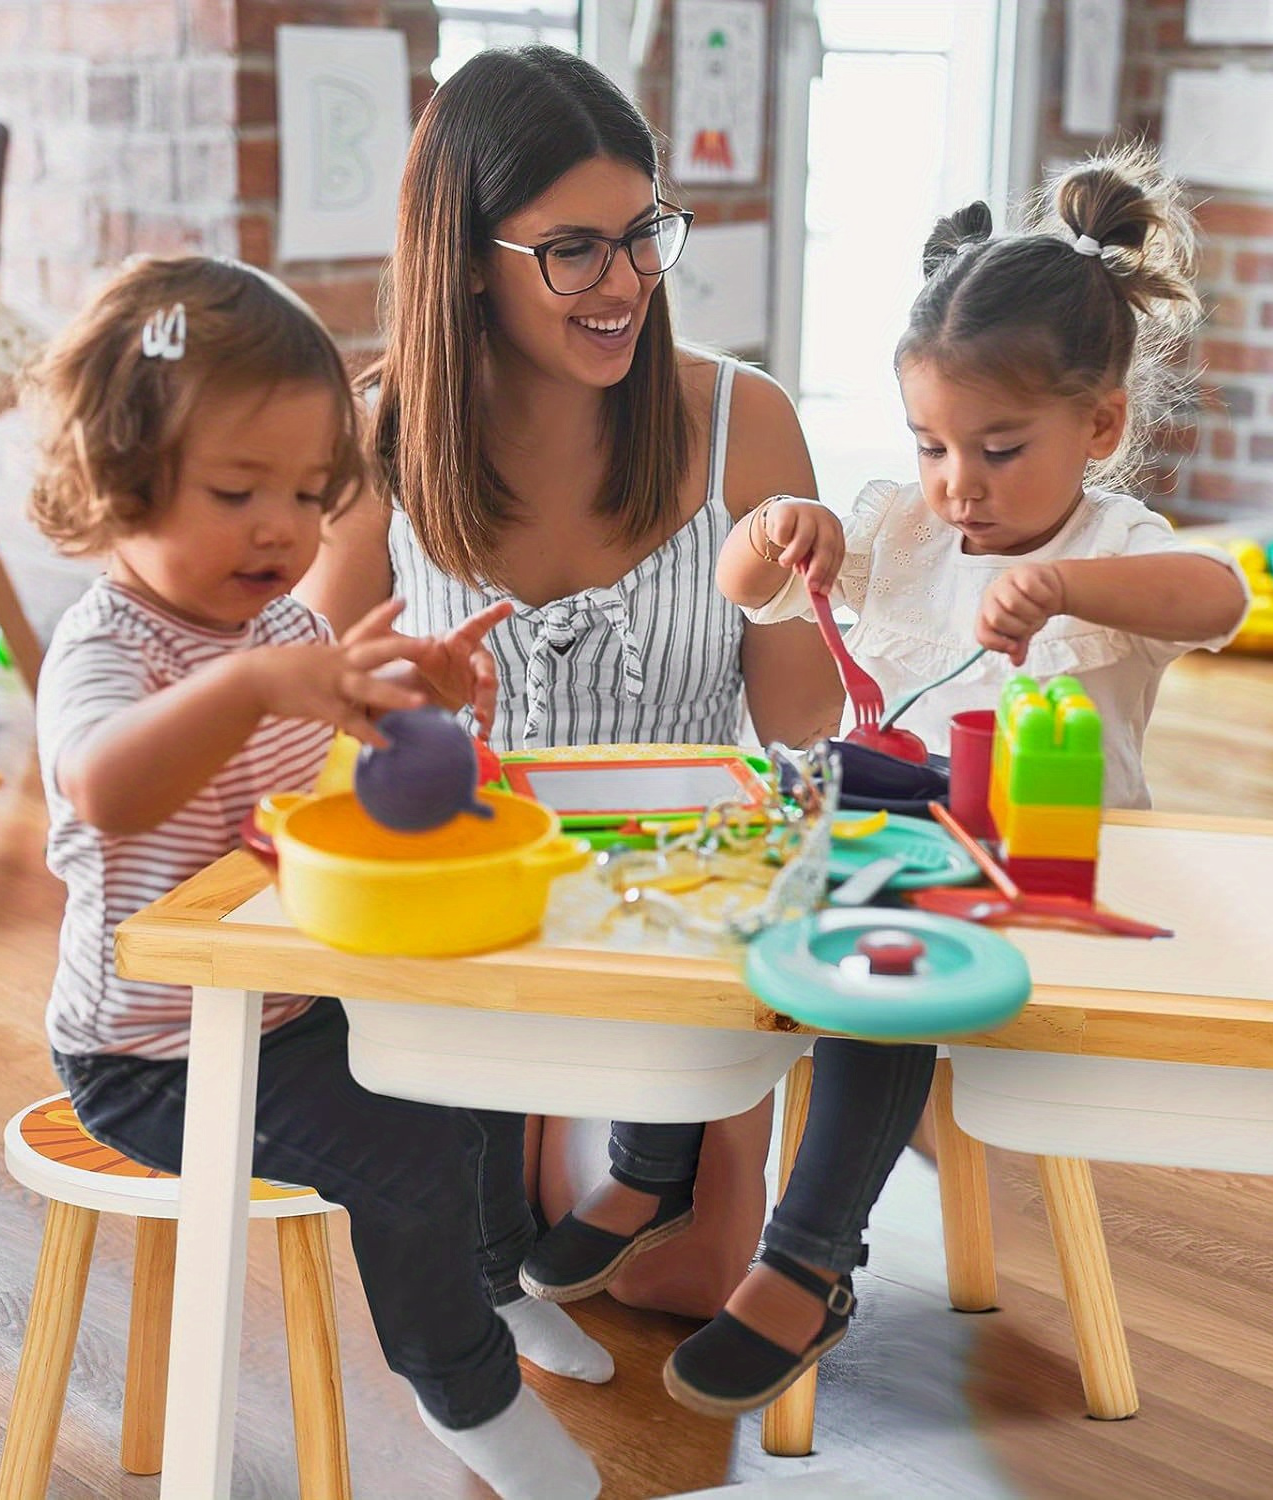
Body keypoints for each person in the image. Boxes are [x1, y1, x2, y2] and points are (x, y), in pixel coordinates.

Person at [642, 147, 1249, 1415]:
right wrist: (771, 542)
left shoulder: (1112, 543)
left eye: (999, 447)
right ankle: (649, 1160)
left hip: (1036, 880)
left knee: (881, 943)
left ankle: (807, 1264)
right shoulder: (906, 528)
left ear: (1101, 425)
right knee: (741, 845)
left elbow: (1221, 598)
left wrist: (1075, 587)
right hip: (895, 851)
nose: (958, 484)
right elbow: (743, 594)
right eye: (930, 446)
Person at [298, 44, 849, 1345]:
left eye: (645, 234)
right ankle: (543, 1189)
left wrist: (794, 587)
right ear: (466, 258)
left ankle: (687, 1177)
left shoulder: (741, 421)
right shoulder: (373, 439)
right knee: (514, 1243)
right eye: (575, 251)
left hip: (683, 921)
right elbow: (307, 723)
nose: (628, 284)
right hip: (474, 923)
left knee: (683, 1269)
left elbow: (805, 731)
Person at [26, 254, 601, 1500]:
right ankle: (466, 1389)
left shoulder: (280, 629)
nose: (282, 527)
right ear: (121, 482)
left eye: (304, 491)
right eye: (238, 490)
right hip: (153, 1054)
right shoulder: (107, 646)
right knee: (404, 1149)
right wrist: (241, 687)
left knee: (474, 1062)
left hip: (284, 994)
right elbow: (99, 787)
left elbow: (325, 730)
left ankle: (497, 1286)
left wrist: (404, 692)